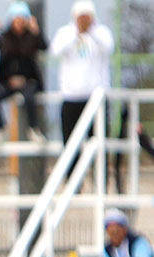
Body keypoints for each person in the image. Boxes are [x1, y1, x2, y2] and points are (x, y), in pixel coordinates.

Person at [50, 0, 113, 173]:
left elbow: (108, 47)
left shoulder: (101, 32)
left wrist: (90, 31)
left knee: (99, 145)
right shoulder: (66, 32)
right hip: (71, 97)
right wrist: (76, 32)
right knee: (71, 145)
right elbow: (55, 50)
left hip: (96, 99)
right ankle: (73, 182)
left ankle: (101, 182)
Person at [0, 2, 47, 145]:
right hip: (8, 82)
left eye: (21, 19)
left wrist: (38, 31)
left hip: (29, 81)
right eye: (16, 19)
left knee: (30, 98)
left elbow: (44, 46)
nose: (18, 22)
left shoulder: (32, 36)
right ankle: (2, 128)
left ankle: (33, 129)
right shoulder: (4, 37)